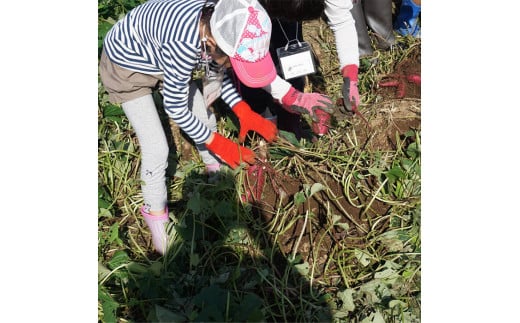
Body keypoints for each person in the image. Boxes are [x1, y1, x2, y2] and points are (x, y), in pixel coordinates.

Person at [99, 0, 333, 254]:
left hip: (161, 52)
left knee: (206, 114)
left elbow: (216, 75)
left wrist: (243, 111)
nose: (232, 67)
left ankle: (214, 170)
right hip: (127, 66)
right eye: (233, 62)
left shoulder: (222, 20)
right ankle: (157, 219)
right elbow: (175, 108)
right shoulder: (183, 46)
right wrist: (220, 143)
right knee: (156, 148)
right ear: (212, 45)